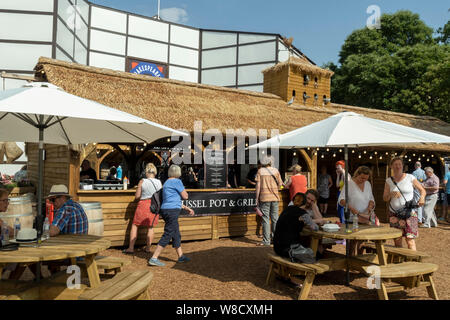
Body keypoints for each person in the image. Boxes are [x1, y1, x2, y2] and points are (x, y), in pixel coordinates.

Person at [148, 165, 194, 266]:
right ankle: (154, 257)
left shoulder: (166, 182)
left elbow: (172, 200)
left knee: (175, 232)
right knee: (168, 233)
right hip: (172, 211)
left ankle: (181, 256)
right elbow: (185, 196)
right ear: (178, 172)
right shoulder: (177, 181)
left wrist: (187, 208)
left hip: (166, 210)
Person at [383, 157, 426, 250]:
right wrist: (390, 194)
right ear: (391, 166)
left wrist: (422, 198)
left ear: (403, 166)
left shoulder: (410, 177)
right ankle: (400, 262)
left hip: (409, 213)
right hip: (394, 214)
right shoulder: (388, 181)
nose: (398, 166)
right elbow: (385, 198)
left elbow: (422, 190)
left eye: (399, 164)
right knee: (397, 240)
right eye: (395, 164)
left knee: (410, 240)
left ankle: (413, 262)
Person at [123, 163, 162, 254]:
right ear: (155, 172)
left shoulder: (142, 181)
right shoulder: (159, 182)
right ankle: (148, 248)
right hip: (154, 205)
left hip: (143, 204)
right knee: (151, 227)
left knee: (135, 225)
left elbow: (137, 196)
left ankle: (131, 248)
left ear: (146, 172)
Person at [338, 166, 376, 254]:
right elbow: (341, 200)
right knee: (352, 242)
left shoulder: (367, 184)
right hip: (352, 218)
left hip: (365, 218)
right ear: (357, 174)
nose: (363, 180)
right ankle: (350, 261)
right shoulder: (349, 184)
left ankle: (359, 261)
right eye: (362, 178)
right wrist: (351, 209)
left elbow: (371, 198)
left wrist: (370, 205)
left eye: (366, 178)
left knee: (362, 242)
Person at [273, 192, 319, 259]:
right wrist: (319, 221)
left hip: (277, 247)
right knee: (312, 253)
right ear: (305, 202)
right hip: (288, 249)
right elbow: (315, 228)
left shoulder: (287, 209)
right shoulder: (302, 213)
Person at [255, 155, 284, 246]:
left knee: (265, 220)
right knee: (275, 219)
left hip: (264, 198)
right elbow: (280, 184)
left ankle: (266, 241)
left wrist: (256, 198)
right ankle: (276, 240)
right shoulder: (276, 171)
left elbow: (258, 186)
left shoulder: (260, 171)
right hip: (275, 197)